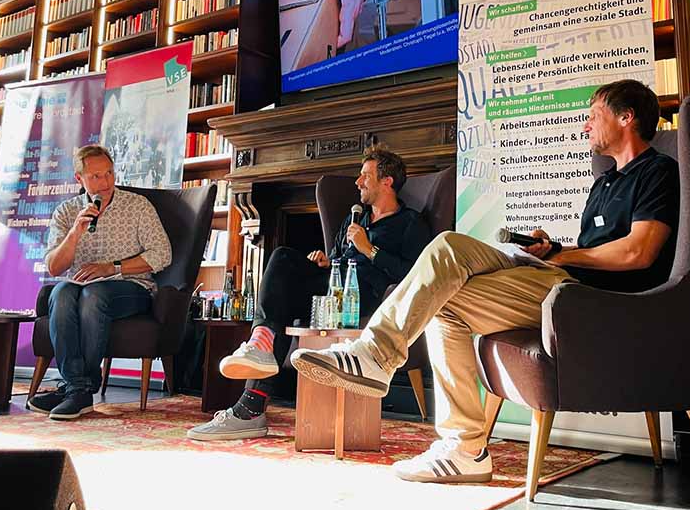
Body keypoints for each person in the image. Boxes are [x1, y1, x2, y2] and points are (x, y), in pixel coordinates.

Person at [290, 79, 680, 483]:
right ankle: (391, 371)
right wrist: (551, 249)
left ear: (626, 117)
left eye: (593, 115)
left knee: (443, 298)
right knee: (446, 250)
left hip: (595, 298)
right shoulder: (605, 182)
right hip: (560, 278)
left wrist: (564, 255)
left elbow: (638, 252)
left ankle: (457, 439)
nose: (585, 126)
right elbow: (595, 248)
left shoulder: (657, 171)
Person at [187, 144, 432, 441]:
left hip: (365, 299)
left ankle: (250, 406)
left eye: (365, 175)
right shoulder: (355, 219)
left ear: (387, 181)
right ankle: (260, 347)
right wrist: (328, 261)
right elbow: (339, 257)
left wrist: (370, 249)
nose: (358, 182)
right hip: (330, 289)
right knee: (282, 258)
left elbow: (413, 276)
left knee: (282, 300)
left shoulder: (410, 223)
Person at [27, 145, 172, 420]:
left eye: (109, 174)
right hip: (79, 289)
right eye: (95, 177)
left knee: (94, 295)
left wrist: (111, 267)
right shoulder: (66, 211)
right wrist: (74, 233)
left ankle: (76, 388)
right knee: (60, 293)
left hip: (132, 287)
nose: (105, 183)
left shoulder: (137, 205)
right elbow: (55, 267)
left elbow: (162, 254)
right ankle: (77, 389)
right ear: (79, 179)